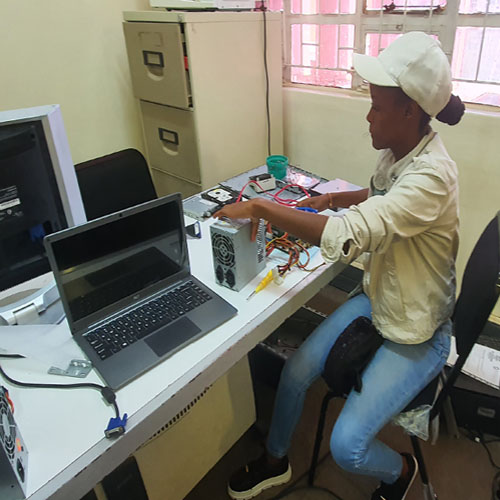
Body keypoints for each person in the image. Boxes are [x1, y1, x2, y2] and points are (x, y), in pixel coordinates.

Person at [214, 31, 465, 500]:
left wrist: (262, 207)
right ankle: (276, 459)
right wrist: (333, 198)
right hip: (381, 297)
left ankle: (401, 470)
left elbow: (352, 232)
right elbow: (383, 194)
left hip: (417, 329)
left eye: (376, 107)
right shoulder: (402, 153)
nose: (368, 116)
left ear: (409, 112)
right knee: (294, 372)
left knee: (347, 447)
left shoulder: (433, 177)